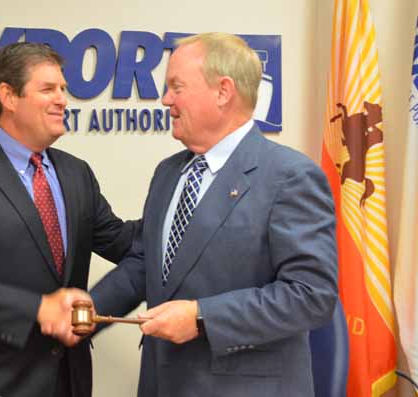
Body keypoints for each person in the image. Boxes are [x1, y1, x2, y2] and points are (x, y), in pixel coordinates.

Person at [88, 32, 338, 396]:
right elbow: (147, 264)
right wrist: (88, 310)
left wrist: (201, 317)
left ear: (223, 91)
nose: (165, 100)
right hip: (163, 383)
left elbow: (310, 295)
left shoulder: (289, 176)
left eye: (176, 87)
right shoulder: (169, 173)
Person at [0, 42, 137, 397]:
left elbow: (121, 241)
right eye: (48, 89)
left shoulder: (76, 173)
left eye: (63, 89)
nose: (63, 99)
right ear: (9, 96)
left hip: (67, 378)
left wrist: (180, 212)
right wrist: (38, 308)